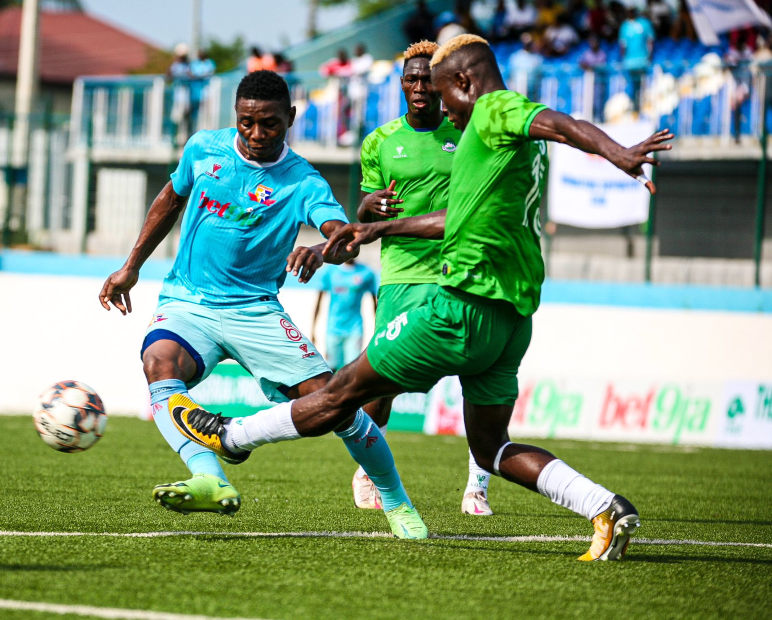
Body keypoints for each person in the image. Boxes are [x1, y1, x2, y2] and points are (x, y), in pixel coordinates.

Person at [172, 34, 675, 562]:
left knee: (346, 388)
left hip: (458, 308)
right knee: (491, 448)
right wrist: (374, 229)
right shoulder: (514, 150)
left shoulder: (491, 109)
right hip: (510, 320)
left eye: (443, 94)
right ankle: (606, 506)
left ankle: (231, 437)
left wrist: (618, 152)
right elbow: (457, 218)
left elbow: (560, 121)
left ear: (463, 82)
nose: (445, 113)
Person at [99, 70, 427, 539]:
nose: (255, 134)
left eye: (269, 123)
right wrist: (131, 265)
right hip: (188, 302)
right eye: (246, 122)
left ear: (290, 118)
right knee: (158, 362)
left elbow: (342, 238)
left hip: (255, 310)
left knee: (335, 405)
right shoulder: (203, 149)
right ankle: (209, 476)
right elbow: (170, 199)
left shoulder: (302, 181)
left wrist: (324, 247)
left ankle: (396, 501)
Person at [353, 39, 495, 516]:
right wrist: (366, 206)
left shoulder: (468, 132)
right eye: (410, 79)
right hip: (401, 276)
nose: (418, 87)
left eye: (425, 79)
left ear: (442, 84)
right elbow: (366, 213)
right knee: (383, 379)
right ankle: (370, 469)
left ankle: (477, 485)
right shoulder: (378, 142)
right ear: (401, 84)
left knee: (477, 376)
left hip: (462, 272)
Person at [312, 258, 378, 372]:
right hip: (333, 328)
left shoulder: (366, 273)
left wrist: (378, 330)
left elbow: (375, 305)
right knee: (331, 367)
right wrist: (313, 330)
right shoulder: (330, 271)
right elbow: (318, 303)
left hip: (355, 328)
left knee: (351, 369)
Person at [618, 7, 655, 112]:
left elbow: (650, 40)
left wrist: (650, 56)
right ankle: (634, 108)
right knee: (632, 88)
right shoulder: (624, 26)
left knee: (644, 87)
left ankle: (644, 109)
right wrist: (623, 60)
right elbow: (622, 45)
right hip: (629, 63)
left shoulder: (644, 23)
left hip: (643, 61)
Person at [509, 33, 544, 100]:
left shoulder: (537, 59)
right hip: (518, 90)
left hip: (533, 91)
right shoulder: (515, 57)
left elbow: (539, 75)